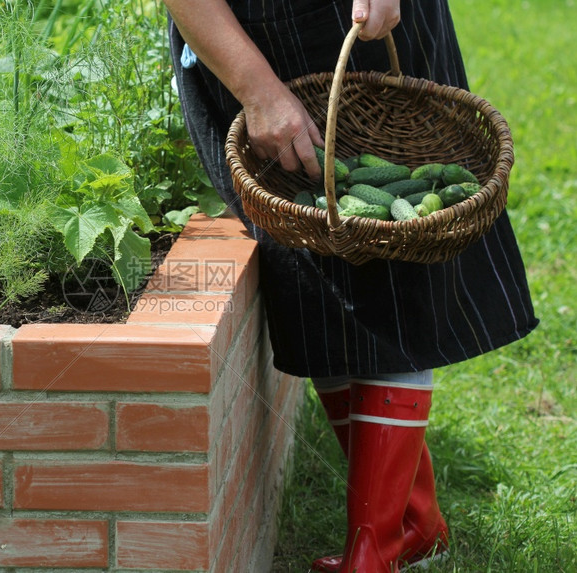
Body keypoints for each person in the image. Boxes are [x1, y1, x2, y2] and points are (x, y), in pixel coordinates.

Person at [161, 1, 539, 572]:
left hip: (363, 17)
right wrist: (258, 90)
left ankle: (377, 548)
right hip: (247, 35)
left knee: (395, 272)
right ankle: (412, 524)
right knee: (312, 286)